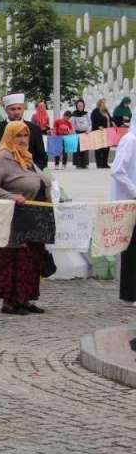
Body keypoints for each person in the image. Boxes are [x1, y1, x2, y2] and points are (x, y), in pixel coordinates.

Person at [0, 121, 53, 316]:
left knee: (31, 259)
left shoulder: (27, 158)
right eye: (18, 136)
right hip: (13, 221)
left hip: (33, 218)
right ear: (9, 138)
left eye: (25, 136)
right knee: (14, 260)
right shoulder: (3, 158)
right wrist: (11, 197)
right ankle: (11, 302)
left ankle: (26, 298)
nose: (22, 140)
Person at [0, 93, 48, 170]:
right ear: (6, 110)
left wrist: (30, 170)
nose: (16, 112)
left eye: (19, 108)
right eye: (12, 109)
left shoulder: (34, 129)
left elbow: (41, 157)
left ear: (23, 109)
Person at [109, 129, 136, 306]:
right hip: (130, 201)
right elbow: (117, 170)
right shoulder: (130, 140)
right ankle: (131, 294)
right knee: (132, 249)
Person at [91, 98, 112, 168]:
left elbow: (110, 120)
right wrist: (98, 127)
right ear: (100, 103)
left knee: (106, 148)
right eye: (103, 103)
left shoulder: (106, 111)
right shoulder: (95, 111)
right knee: (99, 148)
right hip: (98, 132)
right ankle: (99, 164)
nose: (104, 104)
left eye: (105, 103)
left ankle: (105, 163)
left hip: (107, 132)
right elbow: (93, 122)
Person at [71, 100, 91, 169]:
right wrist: (74, 133)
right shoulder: (74, 114)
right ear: (76, 106)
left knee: (85, 148)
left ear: (83, 106)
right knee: (78, 148)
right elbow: (72, 125)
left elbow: (90, 123)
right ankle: (78, 164)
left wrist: (88, 130)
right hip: (77, 133)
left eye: (81, 106)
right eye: (79, 106)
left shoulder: (86, 114)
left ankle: (84, 164)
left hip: (85, 133)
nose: (80, 107)